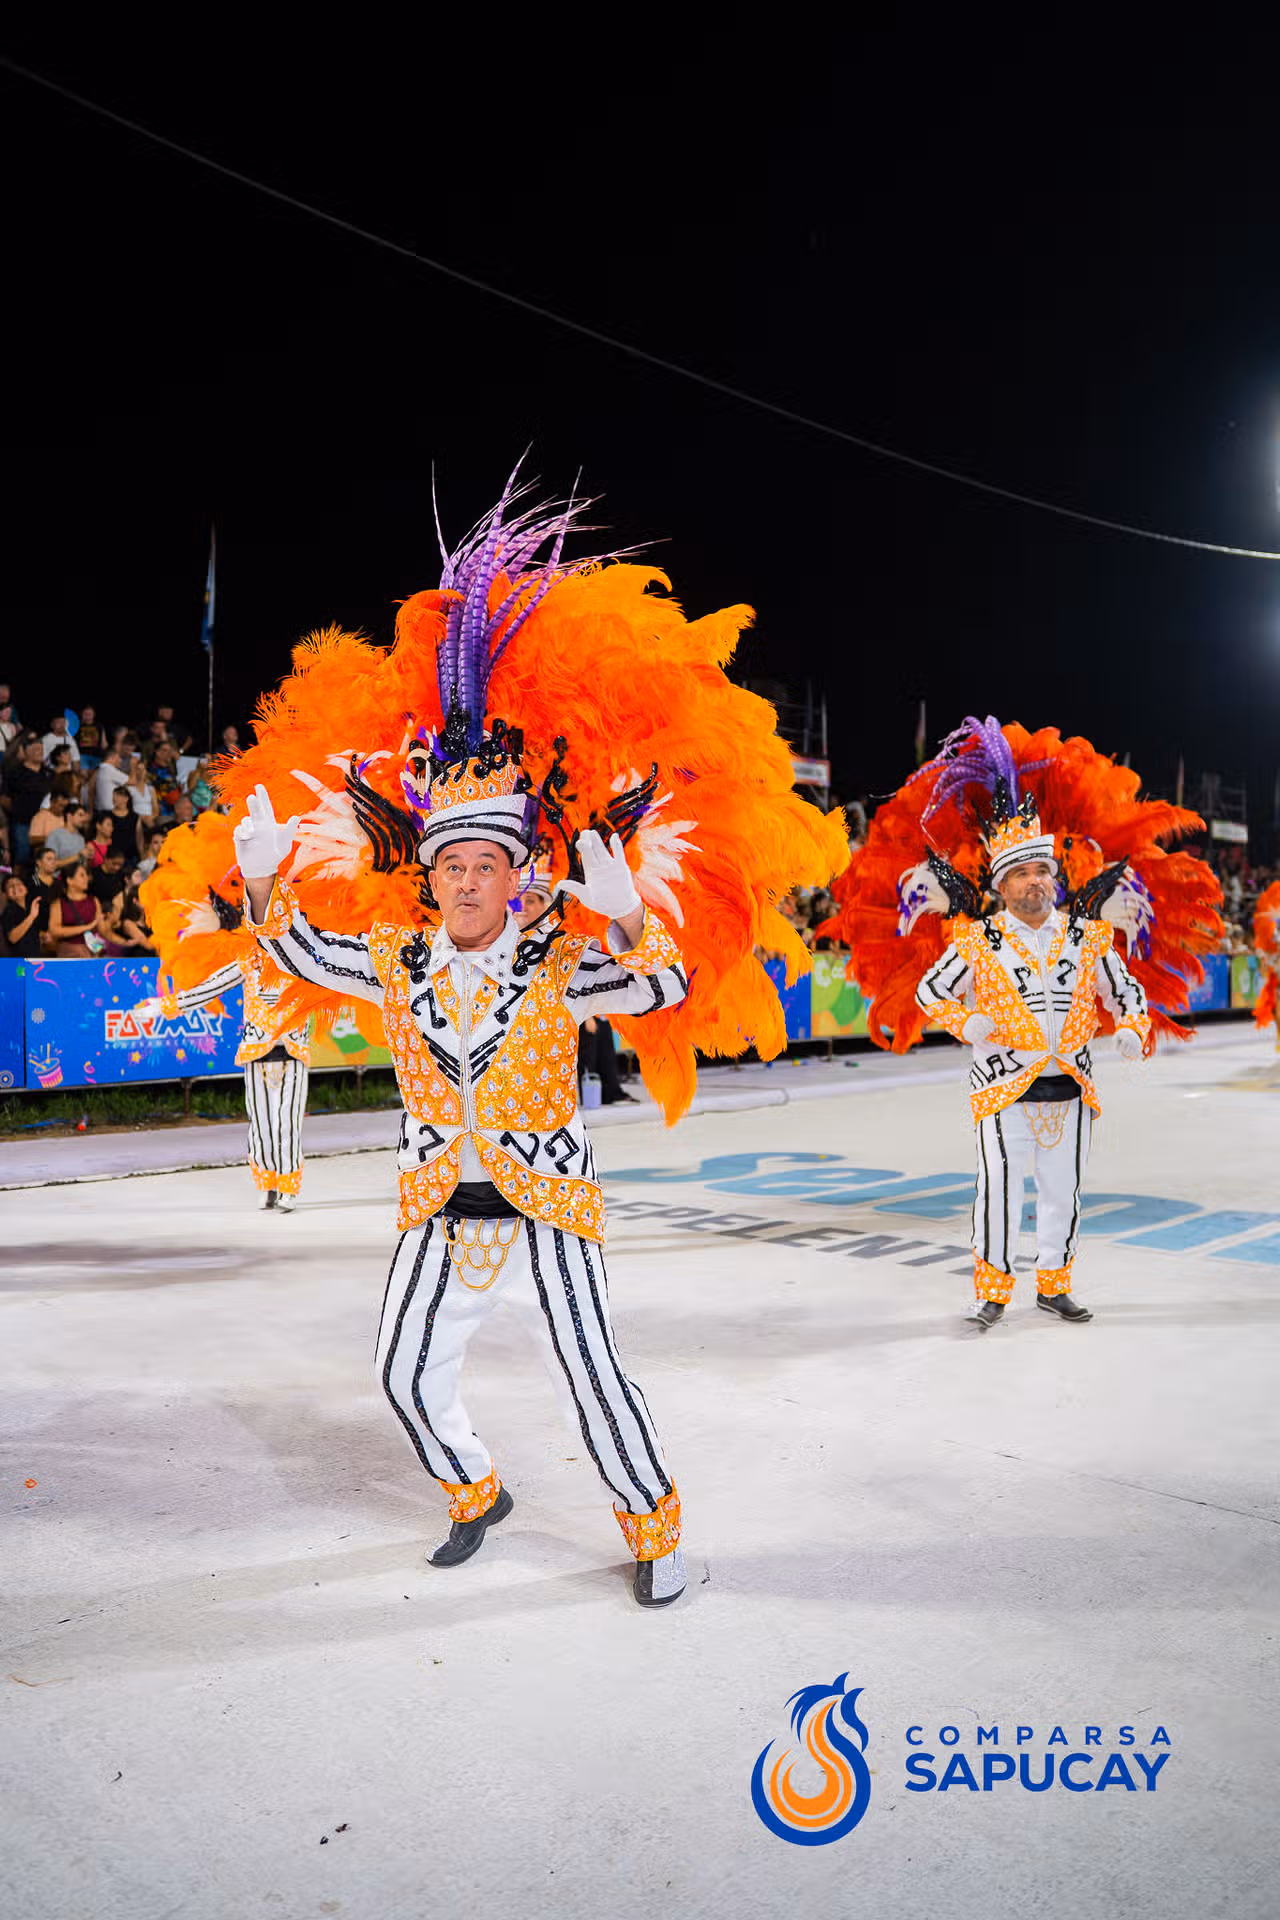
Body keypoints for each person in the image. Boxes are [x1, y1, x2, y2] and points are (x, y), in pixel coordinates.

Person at [820, 713, 1221, 1329]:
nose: (1036, 882)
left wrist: (1135, 1030)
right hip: (1001, 1088)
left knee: (1064, 1194)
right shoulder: (976, 940)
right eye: (1022, 874)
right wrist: (967, 1022)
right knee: (1000, 1193)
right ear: (1002, 884)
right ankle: (993, 1291)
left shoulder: (1091, 936)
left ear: (1055, 880)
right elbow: (930, 990)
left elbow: (1128, 993)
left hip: (1072, 1088)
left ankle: (1055, 1284)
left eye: (1043, 872)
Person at [133, 829, 312, 1210]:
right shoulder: (250, 958)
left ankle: (290, 1185)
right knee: (262, 1123)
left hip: (294, 1048)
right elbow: (211, 986)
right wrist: (168, 1006)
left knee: (288, 1123)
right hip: (258, 1048)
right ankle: (270, 1184)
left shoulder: (305, 957)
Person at [3, 735, 50, 866]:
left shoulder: (49, 773)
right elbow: (4, 797)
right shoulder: (15, 773)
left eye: (41, 749)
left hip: (44, 825)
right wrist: (17, 811)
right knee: (21, 858)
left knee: (44, 859)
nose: (39, 752)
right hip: (22, 823)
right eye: (35, 749)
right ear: (24, 751)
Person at [48, 861, 105, 956]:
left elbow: (102, 930)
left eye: (86, 875)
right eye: (82, 875)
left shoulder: (94, 900)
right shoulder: (58, 903)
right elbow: (54, 930)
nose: (87, 878)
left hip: (91, 951)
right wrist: (87, 927)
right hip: (68, 952)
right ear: (69, 880)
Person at [2, 872, 42, 958]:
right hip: (17, 963)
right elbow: (12, 938)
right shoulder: (9, 911)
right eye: (10, 886)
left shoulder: (31, 907)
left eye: (19, 883)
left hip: (34, 959)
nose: (15, 887)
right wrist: (31, 917)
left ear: (26, 889)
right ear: (5, 895)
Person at [45, 803, 91, 870]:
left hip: (78, 878)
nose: (84, 819)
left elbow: (83, 864)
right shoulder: (55, 835)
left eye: (84, 816)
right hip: (59, 878)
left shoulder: (81, 839)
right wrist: (78, 856)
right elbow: (49, 864)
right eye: (80, 815)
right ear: (69, 816)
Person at [93, 746, 131, 813]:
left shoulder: (101, 769)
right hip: (110, 812)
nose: (120, 760)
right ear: (111, 757)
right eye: (118, 757)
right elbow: (132, 781)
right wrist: (133, 764)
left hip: (102, 810)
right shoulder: (109, 770)